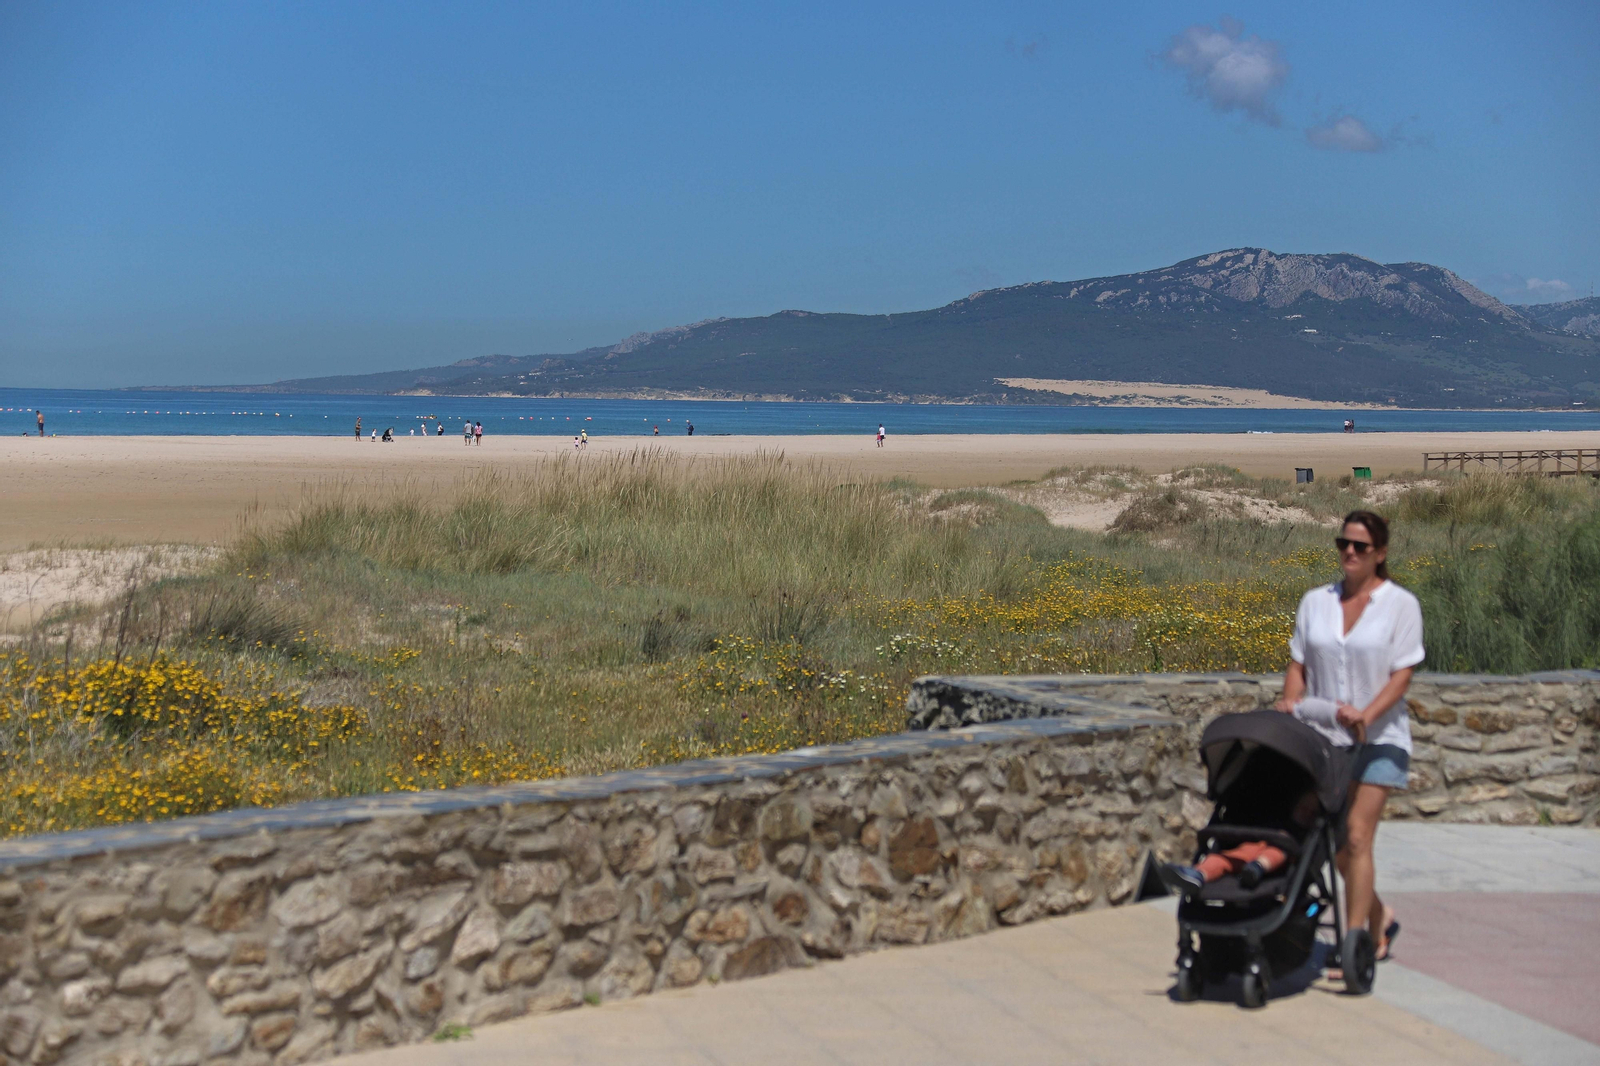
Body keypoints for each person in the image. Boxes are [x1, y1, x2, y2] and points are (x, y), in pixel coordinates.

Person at [1274, 510, 1423, 965]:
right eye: (1345, 545)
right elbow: (1299, 663)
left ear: (1380, 553)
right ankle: (1379, 917)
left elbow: (1402, 674)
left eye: (1360, 546)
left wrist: (1367, 714)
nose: (1350, 553)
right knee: (1337, 849)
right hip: (1324, 741)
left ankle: (1354, 941)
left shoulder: (1400, 605)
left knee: (1357, 838)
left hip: (1379, 739)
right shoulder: (1315, 601)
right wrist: (1290, 704)